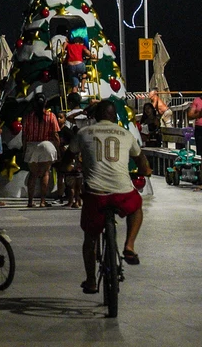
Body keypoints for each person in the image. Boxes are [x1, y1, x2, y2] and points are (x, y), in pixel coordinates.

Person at [68, 99, 152, 293]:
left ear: (96, 116)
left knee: (90, 238)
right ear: (114, 117)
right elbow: (141, 160)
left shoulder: (83, 133)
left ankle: (91, 280)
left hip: (95, 195)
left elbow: (67, 159)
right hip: (122, 193)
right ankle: (129, 245)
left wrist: (65, 168)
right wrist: (145, 171)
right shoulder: (126, 134)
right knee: (136, 207)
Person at [22, 94, 60, 208]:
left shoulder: (28, 116)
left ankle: (30, 201)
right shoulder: (51, 116)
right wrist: (58, 149)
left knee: (33, 174)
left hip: (32, 145)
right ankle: (42, 201)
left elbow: (24, 135)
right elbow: (55, 134)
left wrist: (24, 149)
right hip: (47, 145)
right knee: (45, 173)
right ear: (45, 102)